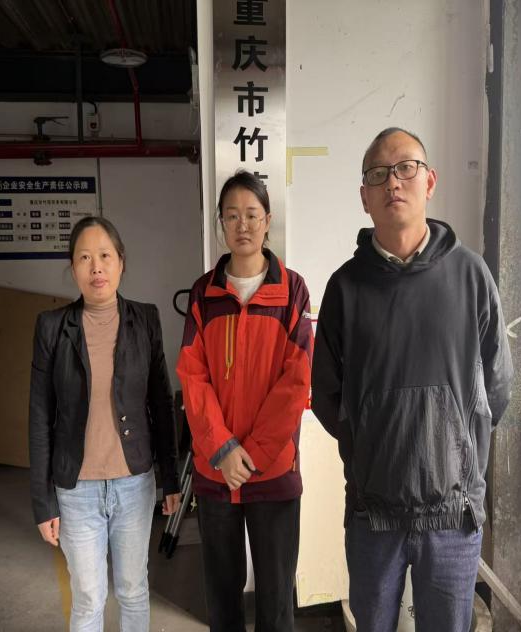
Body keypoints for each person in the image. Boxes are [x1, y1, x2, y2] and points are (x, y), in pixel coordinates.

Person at [312, 128, 513, 632]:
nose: (393, 183)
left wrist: (455, 445)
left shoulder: (470, 276)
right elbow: (326, 395)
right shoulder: (345, 288)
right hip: (372, 513)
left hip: (452, 513)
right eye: (378, 174)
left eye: (406, 168)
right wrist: (371, 444)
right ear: (364, 197)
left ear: (430, 181)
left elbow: (497, 386)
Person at [29, 216, 181, 632]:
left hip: (134, 483)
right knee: (88, 599)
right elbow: (39, 416)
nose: (96, 267)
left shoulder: (145, 320)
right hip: (76, 489)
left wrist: (170, 478)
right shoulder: (52, 327)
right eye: (84, 258)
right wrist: (43, 502)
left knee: (133, 590)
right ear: (73, 267)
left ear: (121, 262)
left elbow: (161, 403)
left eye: (104, 256)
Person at [176, 170, 313, 632]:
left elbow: (297, 380)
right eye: (232, 216)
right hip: (216, 473)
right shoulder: (204, 293)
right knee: (222, 597)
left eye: (252, 214)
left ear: (268, 220)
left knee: (276, 600)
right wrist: (222, 448)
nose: (243, 225)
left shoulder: (292, 291)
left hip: (272, 472)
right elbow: (192, 376)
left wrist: (251, 453)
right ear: (221, 223)